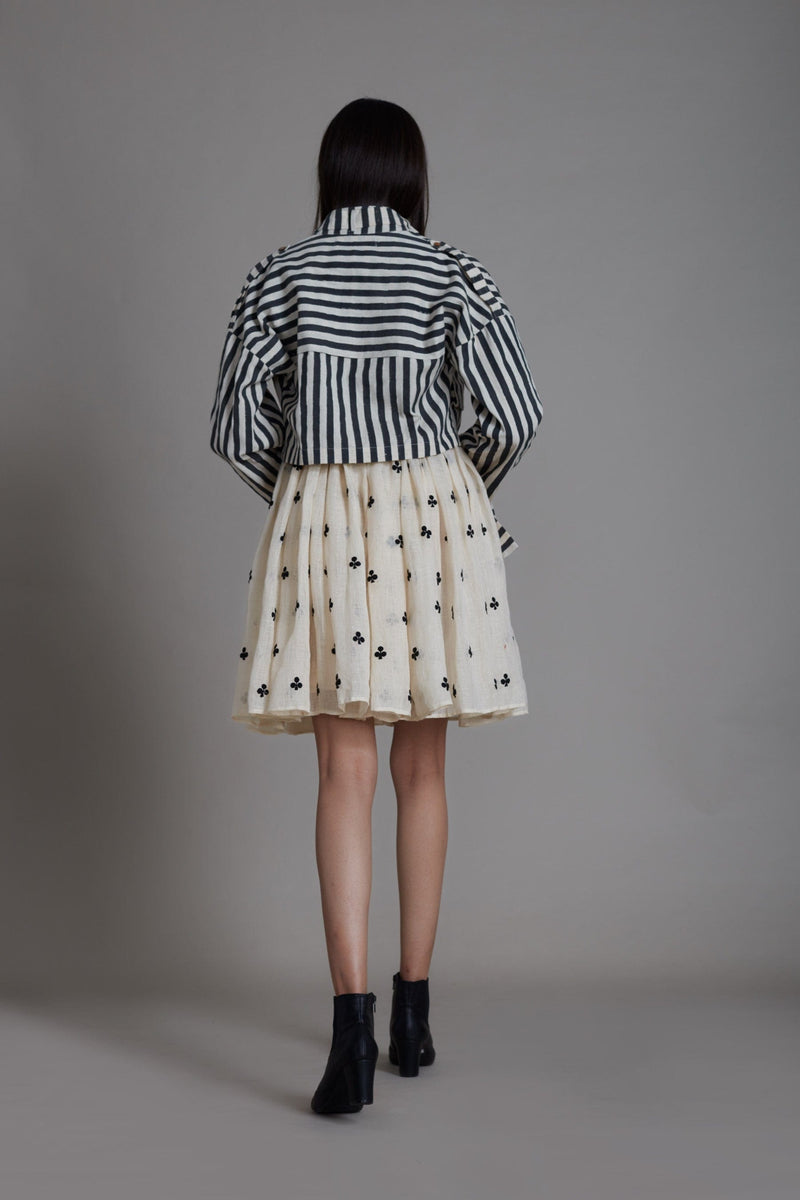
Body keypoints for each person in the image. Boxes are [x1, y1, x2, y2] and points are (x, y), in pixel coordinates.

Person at [210, 97, 543, 1115]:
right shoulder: (452, 273)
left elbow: (233, 427)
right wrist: (454, 494)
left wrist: (304, 499)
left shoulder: (279, 275)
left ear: (332, 173)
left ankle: (348, 1035)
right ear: (409, 175)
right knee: (423, 771)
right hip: (434, 515)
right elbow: (515, 415)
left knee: (341, 775)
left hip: (320, 516)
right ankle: (413, 1017)